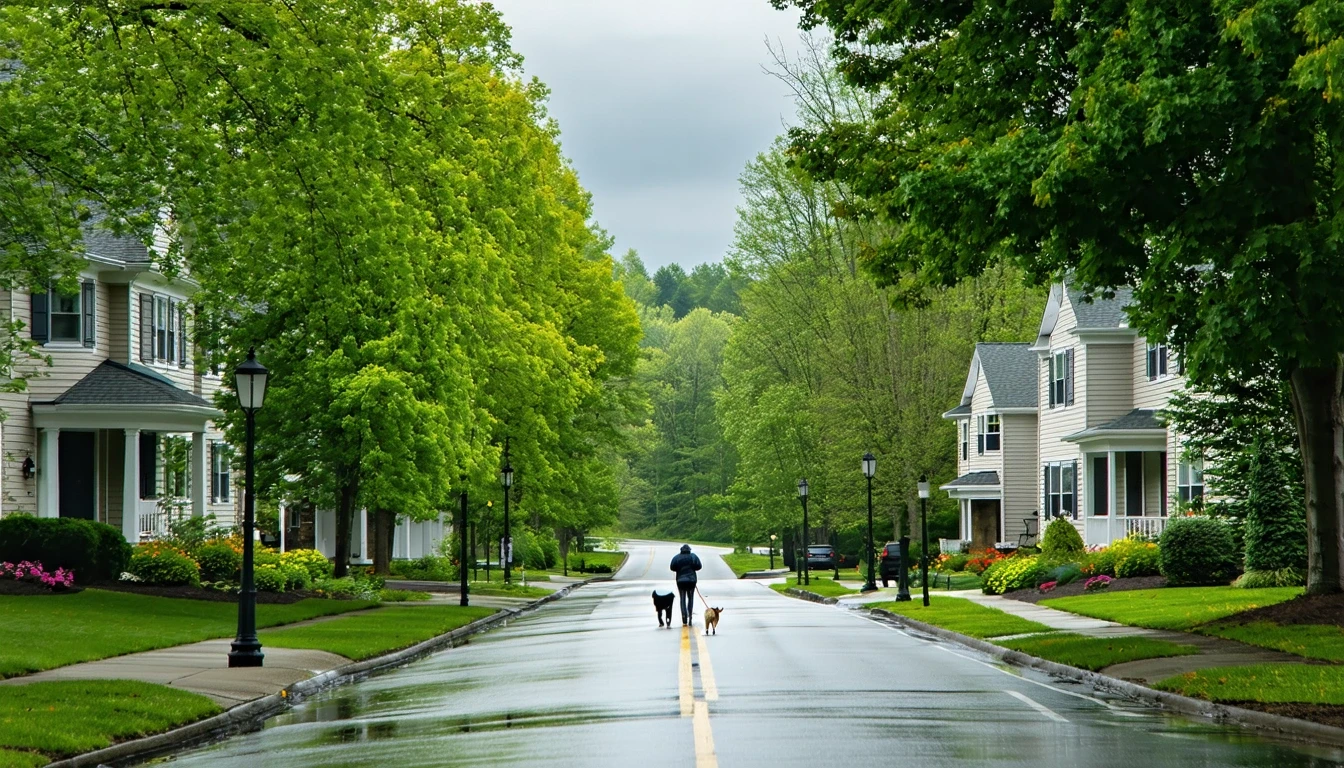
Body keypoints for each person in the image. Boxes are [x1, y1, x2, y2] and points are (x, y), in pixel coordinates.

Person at [669, 544, 702, 626]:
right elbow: (699, 566)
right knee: (690, 598)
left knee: (682, 598)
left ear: (681, 550)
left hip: (680, 581)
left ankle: (684, 616)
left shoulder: (676, 557)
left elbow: (672, 567)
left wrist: (679, 569)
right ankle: (690, 615)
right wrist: (692, 568)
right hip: (691, 580)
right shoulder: (693, 557)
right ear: (689, 550)